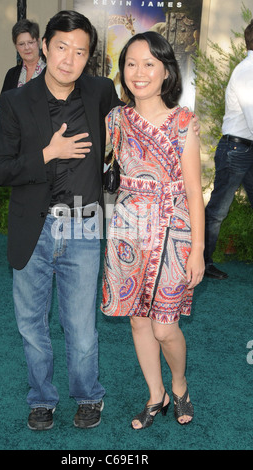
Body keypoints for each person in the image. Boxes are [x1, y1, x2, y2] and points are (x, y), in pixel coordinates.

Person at [0, 10, 121, 431]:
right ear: (45, 47)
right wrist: (48, 152)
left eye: (80, 51)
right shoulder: (15, 101)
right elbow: (1, 170)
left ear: (89, 58)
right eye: (61, 47)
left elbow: (123, 135)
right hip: (34, 228)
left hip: (82, 225)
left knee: (81, 328)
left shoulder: (101, 92)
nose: (69, 58)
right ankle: (41, 398)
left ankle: (87, 396)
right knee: (31, 325)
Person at [101, 31, 205, 428]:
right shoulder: (116, 120)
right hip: (128, 231)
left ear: (165, 72)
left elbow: (195, 191)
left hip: (175, 234)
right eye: (130, 63)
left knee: (165, 326)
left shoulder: (184, 123)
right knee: (138, 319)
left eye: (149, 64)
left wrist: (198, 249)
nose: (138, 72)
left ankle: (179, 385)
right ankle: (155, 394)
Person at [204, 19, 253, 280]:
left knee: (217, 211)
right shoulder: (248, 71)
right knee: (217, 211)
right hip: (237, 149)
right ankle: (202, 262)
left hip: (243, 149)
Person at [0, 19, 46, 93]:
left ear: (38, 41)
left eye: (30, 42)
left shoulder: (50, 71)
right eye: (21, 44)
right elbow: (4, 103)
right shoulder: (11, 75)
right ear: (16, 46)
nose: (27, 48)